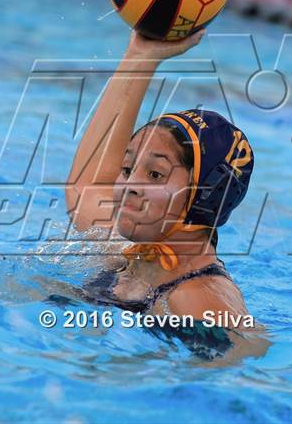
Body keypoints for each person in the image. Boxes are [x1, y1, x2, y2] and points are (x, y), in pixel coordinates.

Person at [65, 29, 255, 329]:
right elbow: (89, 186)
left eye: (155, 175)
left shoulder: (202, 301)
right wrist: (140, 56)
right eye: (128, 170)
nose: (128, 187)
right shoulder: (131, 255)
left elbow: (246, 369)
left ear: (205, 194)